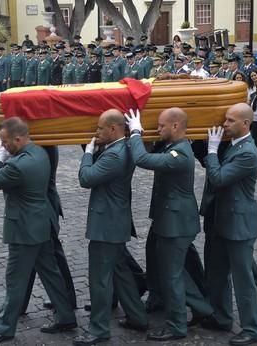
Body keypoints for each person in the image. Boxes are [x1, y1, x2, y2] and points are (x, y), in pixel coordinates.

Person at [0, 117, 77, 345]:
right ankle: (65, 316)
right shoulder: (40, 154)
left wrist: (0, 160)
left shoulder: (17, 166)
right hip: (41, 223)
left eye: (5, 142)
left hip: (23, 230)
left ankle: (4, 328)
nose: (3, 146)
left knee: (15, 280)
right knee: (50, 273)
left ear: (18, 138)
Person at [125, 107, 213, 341]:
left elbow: (142, 159)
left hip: (176, 223)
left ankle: (176, 325)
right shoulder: (170, 146)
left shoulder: (181, 154)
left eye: (161, 125)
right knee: (162, 264)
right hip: (166, 218)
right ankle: (195, 307)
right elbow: (152, 147)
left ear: (175, 126)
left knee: (172, 273)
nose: (157, 128)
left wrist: (135, 132)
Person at [73, 110, 148, 346]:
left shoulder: (114, 155)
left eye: (99, 129)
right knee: (120, 273)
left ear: (113, 129)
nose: (96, 132)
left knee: (100, 279)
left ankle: (99, 329)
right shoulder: (121, 148)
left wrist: (87, 154)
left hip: (106, 225)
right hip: (115, 222)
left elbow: (86, 178)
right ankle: (137, 316)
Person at [200, 103, 257, 346]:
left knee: (242, 279)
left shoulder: (248, 152)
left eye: (230, 121)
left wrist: (212, 151)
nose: (225, 124)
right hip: (221, 219)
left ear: (245, 124)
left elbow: (218, 178)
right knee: (216, 273)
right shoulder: (235, 145)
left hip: (239, 224)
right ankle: (221, 316)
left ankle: (252, 328)